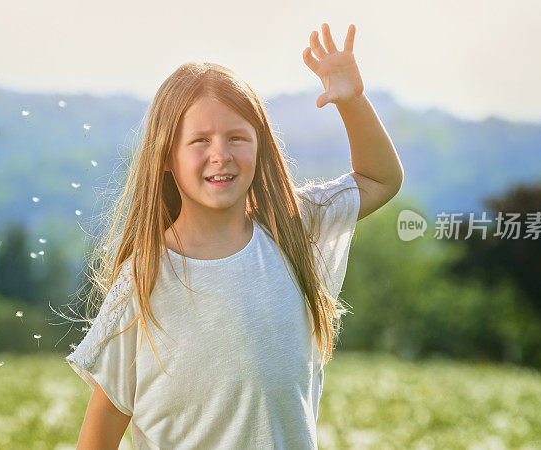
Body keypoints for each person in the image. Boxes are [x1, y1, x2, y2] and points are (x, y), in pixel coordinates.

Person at [64, 22, 404, 449]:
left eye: (237, 137)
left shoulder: (293, 228)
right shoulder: (144, 278)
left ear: (260, 146)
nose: (220, 154)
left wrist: (352, 101)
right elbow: (96, 440)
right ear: (166, 157)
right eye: (200, 140)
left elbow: (381, 178)